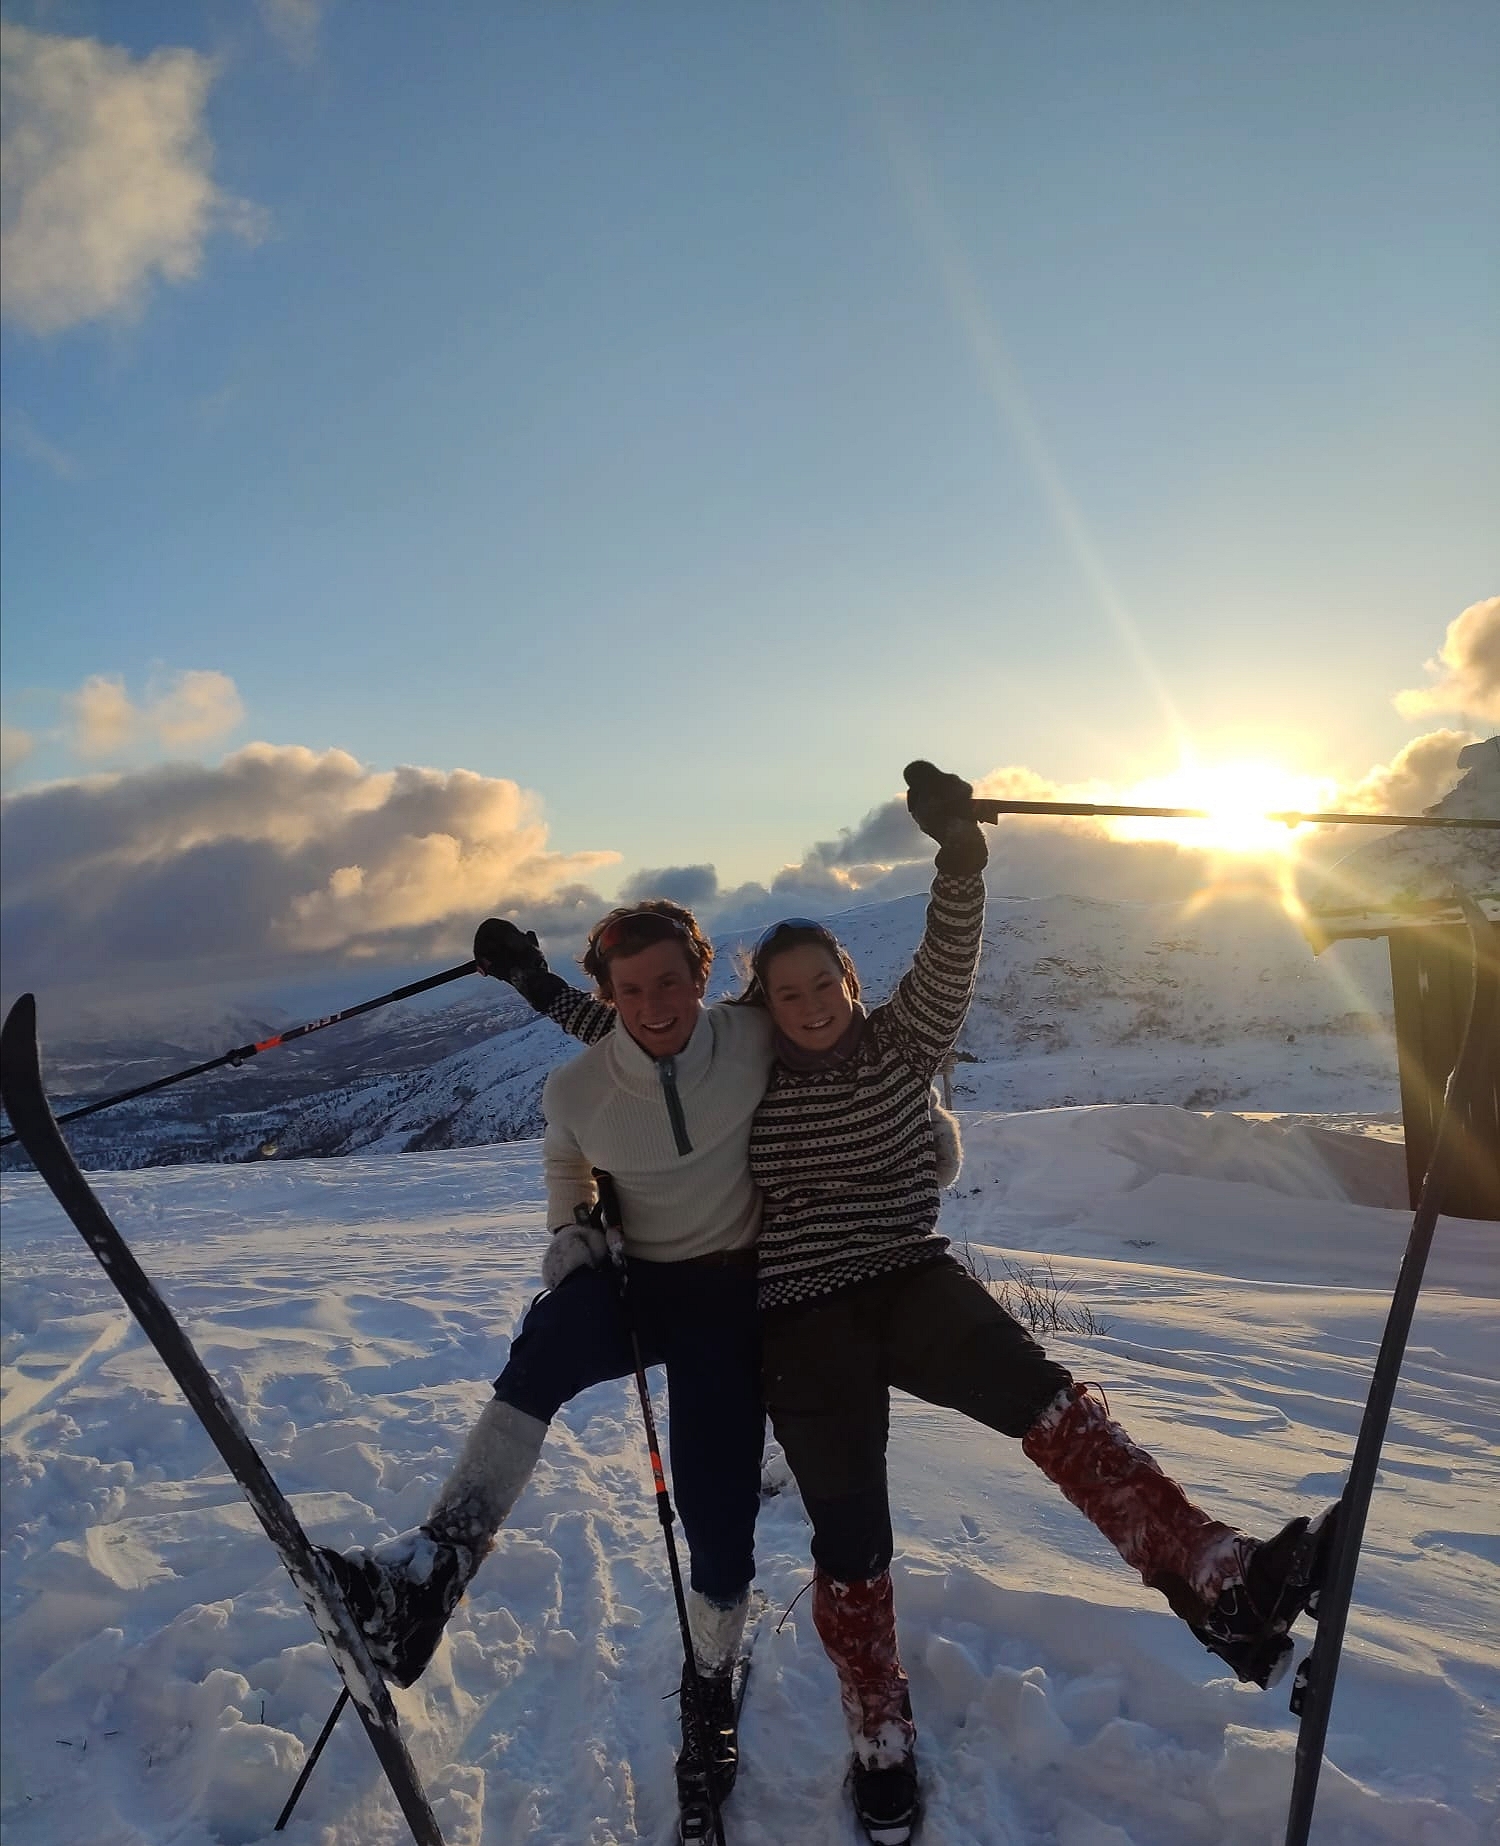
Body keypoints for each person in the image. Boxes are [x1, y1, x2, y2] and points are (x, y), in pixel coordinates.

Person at [734, 761, 1337, 1846]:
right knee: (852, 1538)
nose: (813, 1005)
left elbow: (951, 952)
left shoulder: (901, 1039)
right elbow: (639, 1043)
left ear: (849, 981)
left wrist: (960, 854)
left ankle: (1220, 1580)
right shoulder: (742, 1073)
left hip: (911, 1276)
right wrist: (543, 987)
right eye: (789, 993)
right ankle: (879, 1738)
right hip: (801, 1314)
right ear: (763, 1004)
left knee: (1058, 1407)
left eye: (825, 984)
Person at [320, 898, 774, 1822]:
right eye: (631, 987)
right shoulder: (577, 1088)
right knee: (551, 1335)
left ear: (705, 974)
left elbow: (840, 1037)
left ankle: (711, 1680)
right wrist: (575, 1233)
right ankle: (434, 1571)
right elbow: (572, 1150)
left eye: (673, 981)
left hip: (733, 1298)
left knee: (716, 1504)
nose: (654, 1002)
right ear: (610, 991)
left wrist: (527, 976)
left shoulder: (754, 1037)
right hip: (640, 1284)